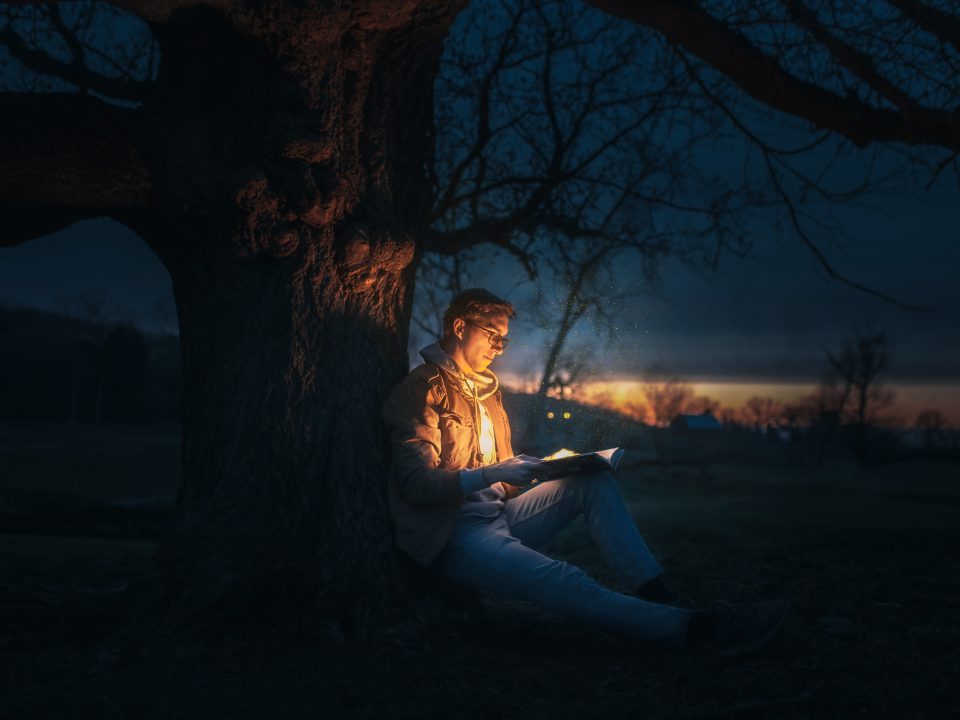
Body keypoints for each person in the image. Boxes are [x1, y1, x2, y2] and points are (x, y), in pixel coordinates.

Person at [382, 288, 789, 653]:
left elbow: (498, 477)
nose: (501, 347)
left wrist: (540, 468)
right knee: (563, 579)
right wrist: (492, 474)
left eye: (505, 339)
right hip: (453, 535)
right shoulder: (423, 390)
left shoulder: (489, 393)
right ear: (459, 326)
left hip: (498, 516)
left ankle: (660, 597)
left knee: (591, 480)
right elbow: (416, 485)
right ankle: (697, 630)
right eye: (493, 335)